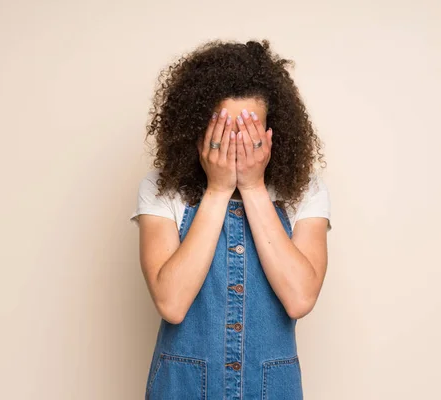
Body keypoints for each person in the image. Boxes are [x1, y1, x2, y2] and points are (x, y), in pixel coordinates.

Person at [130, 39, 332, 400]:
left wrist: (253, 187)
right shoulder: (161, 188)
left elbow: (300, 298)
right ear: (198, 129)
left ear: (274, 132)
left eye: (251, 131)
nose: (238, 144)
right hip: (183, 387)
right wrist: (218, 190)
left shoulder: (306, 190)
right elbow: (171, 303)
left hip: (272, 389)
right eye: (225, 130)